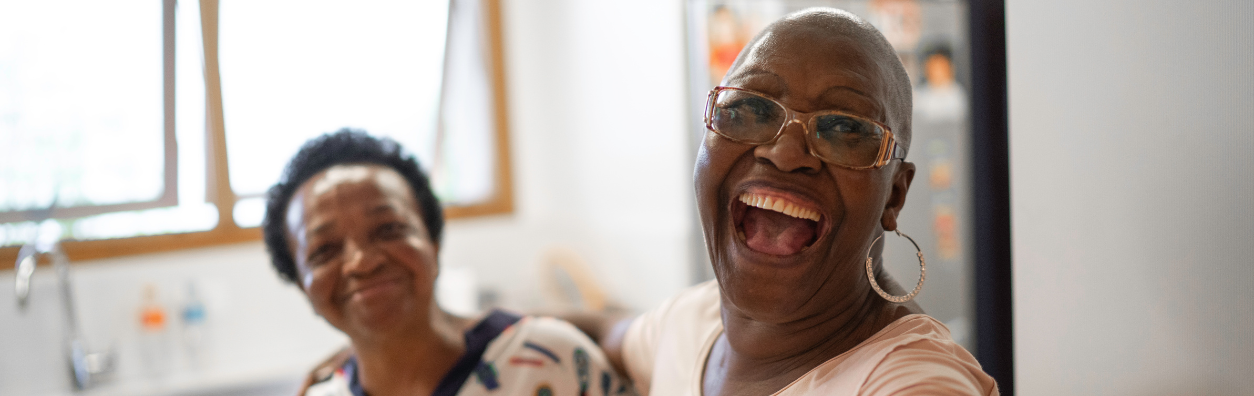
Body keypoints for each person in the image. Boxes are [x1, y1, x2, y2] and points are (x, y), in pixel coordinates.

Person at [596, 8, 998, 395]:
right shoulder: (692, 322)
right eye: (748, 108)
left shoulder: (913, 382)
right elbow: (602, 334)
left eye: (844, 128)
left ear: (894, 195)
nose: (785, 153)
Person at [263, 130, 630, 396]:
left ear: (432, 241)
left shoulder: (551, 360)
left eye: (388, 228)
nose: (362, 262)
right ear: (301, 283)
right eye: (324, 251)